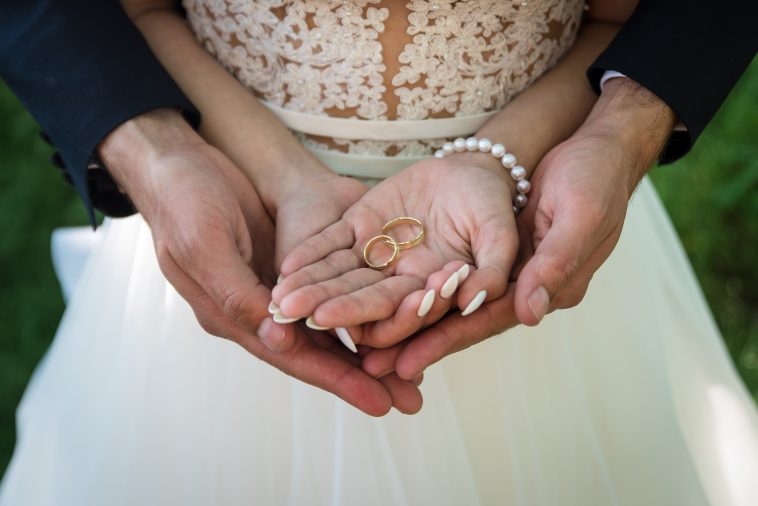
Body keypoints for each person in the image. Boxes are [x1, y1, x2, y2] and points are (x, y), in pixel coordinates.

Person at [0, 2, 756, 506]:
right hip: (238, 200)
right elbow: (137, 6)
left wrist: (508, 158)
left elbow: (618, 17)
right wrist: (267, 174)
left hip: (527, 212)